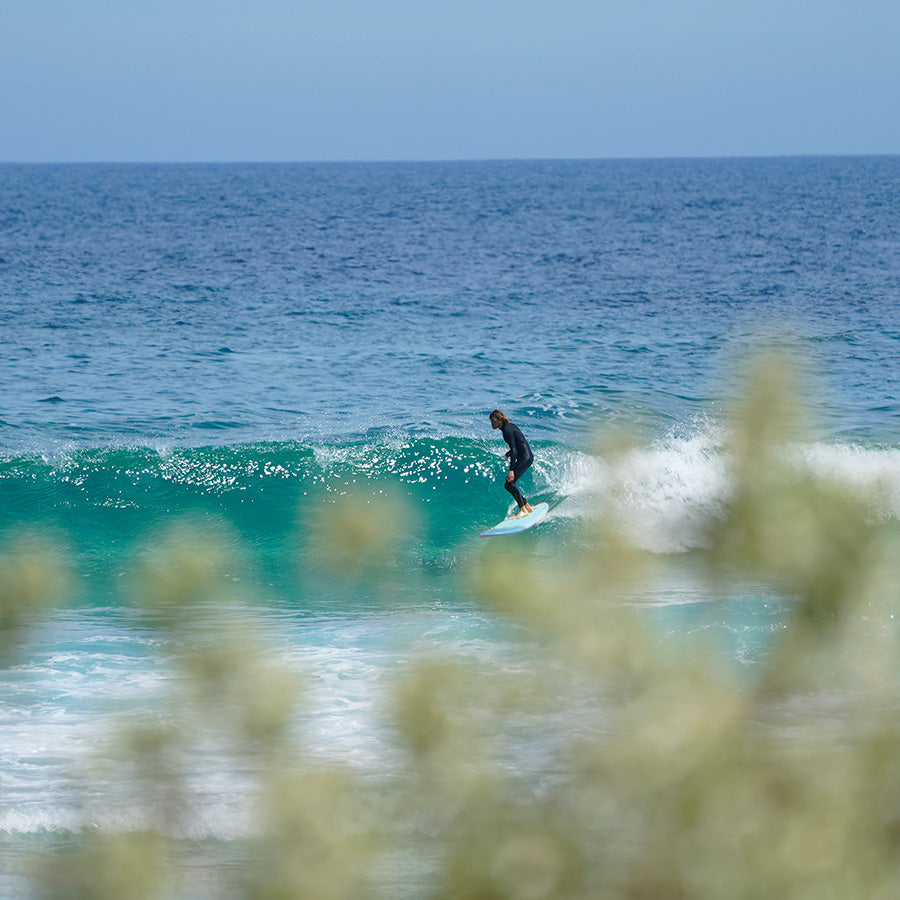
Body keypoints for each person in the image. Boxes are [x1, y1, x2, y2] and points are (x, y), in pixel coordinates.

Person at [489, 409, 534, 518]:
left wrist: (512, 470)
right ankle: (526, 505)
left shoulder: (507, 431)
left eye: (493, 421)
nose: (492, 424)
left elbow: (515, 450)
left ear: (499, 420)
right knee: (509, 484)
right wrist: (507, 455)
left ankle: (523, 509)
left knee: (509, 484)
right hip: (526, 457)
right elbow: (519, 444)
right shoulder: (509, 427)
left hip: (525, 458)